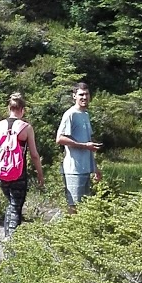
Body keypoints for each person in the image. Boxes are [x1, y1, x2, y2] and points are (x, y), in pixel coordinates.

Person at [0, 91, 44, 238]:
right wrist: (40, 173)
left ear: (9, 108)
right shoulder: (26, 128)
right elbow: (34, 155)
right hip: (18, 173)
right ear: (23, 110)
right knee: (16, 207)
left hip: (2, 173)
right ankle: (12, 241)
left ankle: (7, 236)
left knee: (11, 204)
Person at [56, 80, 102, 210]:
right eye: (81, 94)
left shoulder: (85, 115)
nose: (84, 97)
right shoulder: (70, 114)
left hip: (86, 169)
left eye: (86, 94)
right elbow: (60, 139)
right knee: (74, 206)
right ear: (74, 96)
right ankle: (70, 230)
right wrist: (84, 146)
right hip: (73, 170)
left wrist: (95, 168)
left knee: (84, 207)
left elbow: (89, 143)